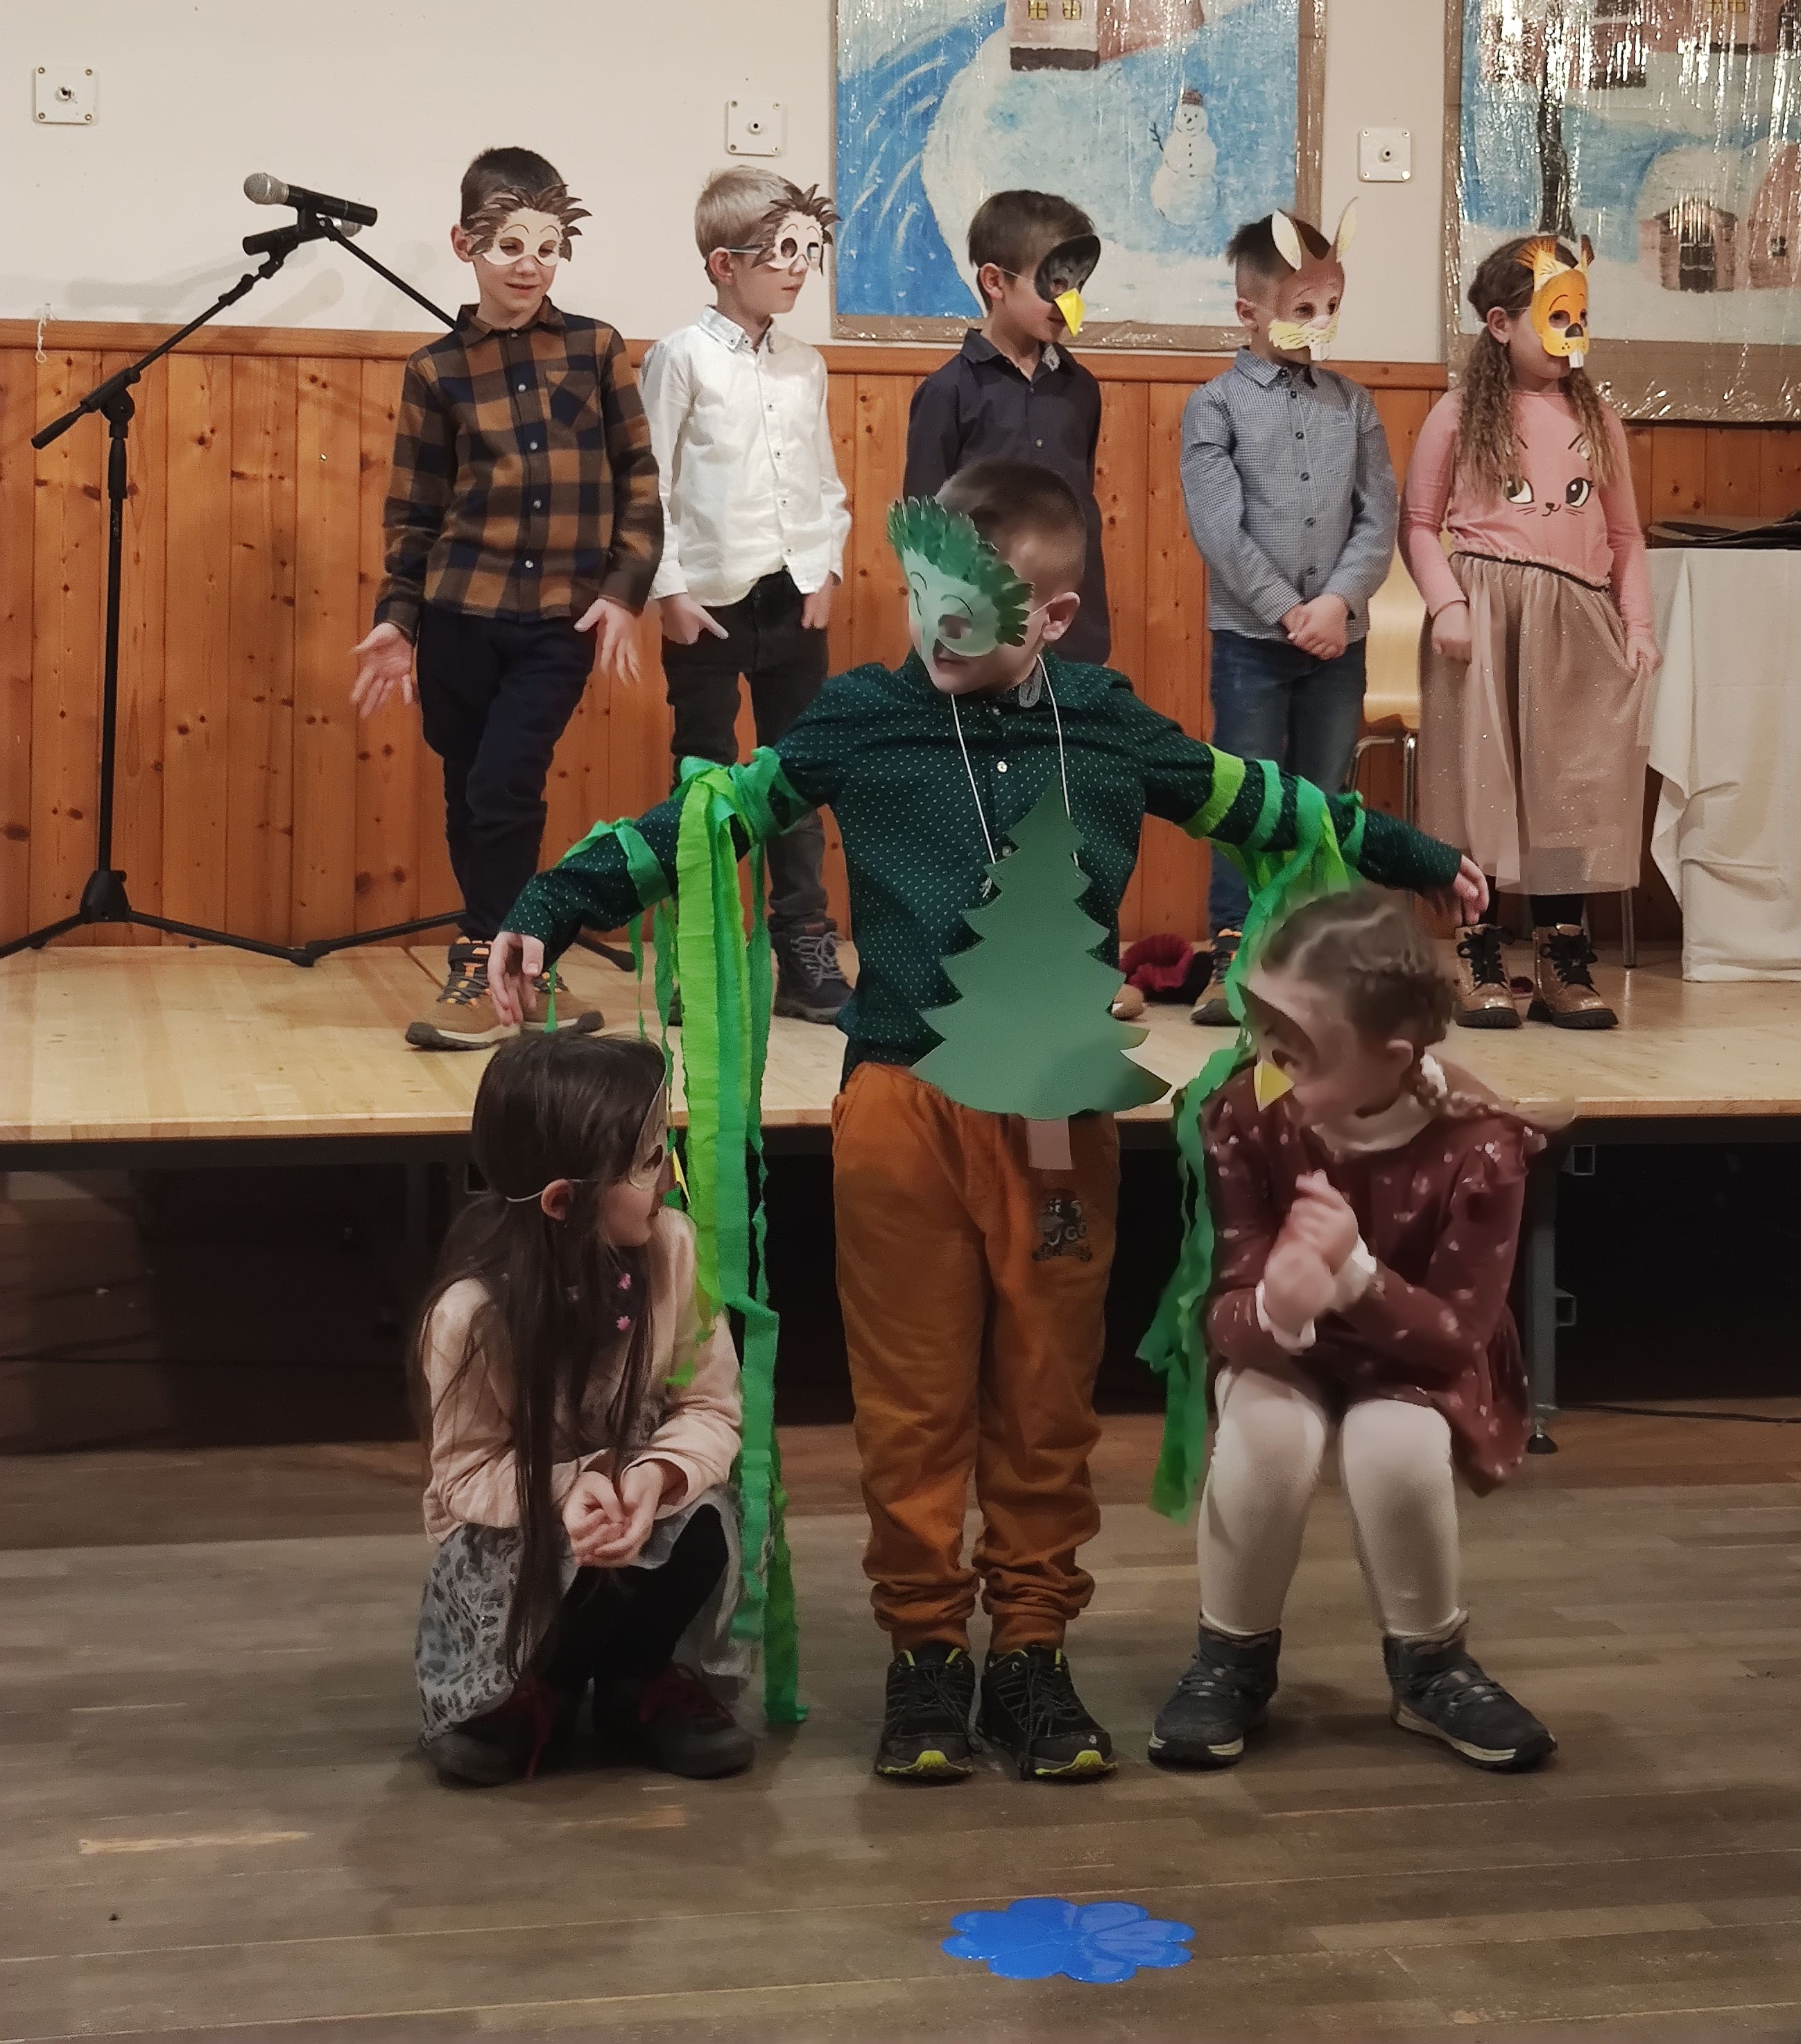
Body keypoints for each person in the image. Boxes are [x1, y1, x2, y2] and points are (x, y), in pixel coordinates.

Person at [483, 458, 1485, 1787]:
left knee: (1043, 1394)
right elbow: (706, 815)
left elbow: (1271, 802)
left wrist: (1425, 862)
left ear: (1052, 615)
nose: (936, 628)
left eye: (971, 607)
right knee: (909, 1402)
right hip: (901, 1118)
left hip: (1058, 1128)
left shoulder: (1108, 724)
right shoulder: (863, 718)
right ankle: (922, 1656)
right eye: (922, 598)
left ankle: (1028, 1652)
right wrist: (548, 903)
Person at [1148, 888, 1555, 1777]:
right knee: (1265, 1436)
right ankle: (1230, 1658)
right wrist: (1278, 1305)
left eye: (1298, 1051)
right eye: (1267, 1036)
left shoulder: (1481, 1147)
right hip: (1288, 1349)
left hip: (1412, 1356)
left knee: (1396, 1447)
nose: (1269, 1064)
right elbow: (1226, 1308)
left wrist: (1358, 1277)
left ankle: (1430, 1665)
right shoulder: (1247, 1117)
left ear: (1392, 1058)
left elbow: (1457, 1339)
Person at [349, 146, 663, 1050]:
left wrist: (624, 590)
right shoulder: (435, 372)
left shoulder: (596, 349)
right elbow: (415, 511)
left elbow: (641, 481)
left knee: (504, 783)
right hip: (458, 615)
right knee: (469, 789)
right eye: (509, 246)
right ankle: (518, 967)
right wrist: (398, 619)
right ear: (466, 244)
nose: (530, 265)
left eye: (548, 247)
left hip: (559, 620)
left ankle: (491, 963)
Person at [413, 1031, 755, 1787]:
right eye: (647, 1161)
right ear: (564, 1201)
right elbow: (463, 1476)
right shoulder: (471, 1315)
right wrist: (567, 1492)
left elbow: (711, 1407)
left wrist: (655, 1477)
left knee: (704, 1522)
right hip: (529, 1533)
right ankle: (539, 1686)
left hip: (633, 1498)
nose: (669, 1177)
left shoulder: (674, 1249)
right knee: (558, 1556)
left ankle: (640, 1681)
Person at [1401, 234, 1658, 1033]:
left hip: (1576, 623)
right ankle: (1478, 952)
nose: (1571, 333)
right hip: (1485, 620)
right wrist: (1447, 603)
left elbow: (1626, 536)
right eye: (1555, 316)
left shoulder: (1597, 420)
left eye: (1579, 316)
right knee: (1479, 787)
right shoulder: (1456, 415)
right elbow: (1418, 524)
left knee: (1567, 790)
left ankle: (1559, 958)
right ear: (1501, 323)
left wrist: (1638, 623)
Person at [639, 165, 851, 1024]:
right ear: (725, 264)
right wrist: (668, 588)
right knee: (705, 781)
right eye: (780, 253)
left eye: (808, 251)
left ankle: (802, 943)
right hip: (706, 601)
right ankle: (701, 955)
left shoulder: (806, 365)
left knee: (795, 778)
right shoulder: (679, 359)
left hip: (792, 597)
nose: (798, 269)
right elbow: (652, 484)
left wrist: (826, 566)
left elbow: (823, 480)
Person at [1180, 205, 1392, 1024]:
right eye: (1304, 308)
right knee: (1246, 798)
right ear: (1250, 312)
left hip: (1339, 643)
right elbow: (1218, 528)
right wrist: (1288, 611)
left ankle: (1314, 961)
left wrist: (1336, 604)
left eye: (1332, 305)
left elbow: (1378, 515)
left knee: (1323, 797)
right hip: (1252, 645)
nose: (1322, 321)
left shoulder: (1355, 405)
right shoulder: (1215, 407)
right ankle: (1234, 954)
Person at [903, 190, 1110, 664]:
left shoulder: (1081, 389)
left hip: (1070, 631)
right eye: (1054, 283)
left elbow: (1081, 497)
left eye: (1077, 285)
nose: (1069, 302)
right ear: (995, 281)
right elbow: (924, 528)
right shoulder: (948, 391)